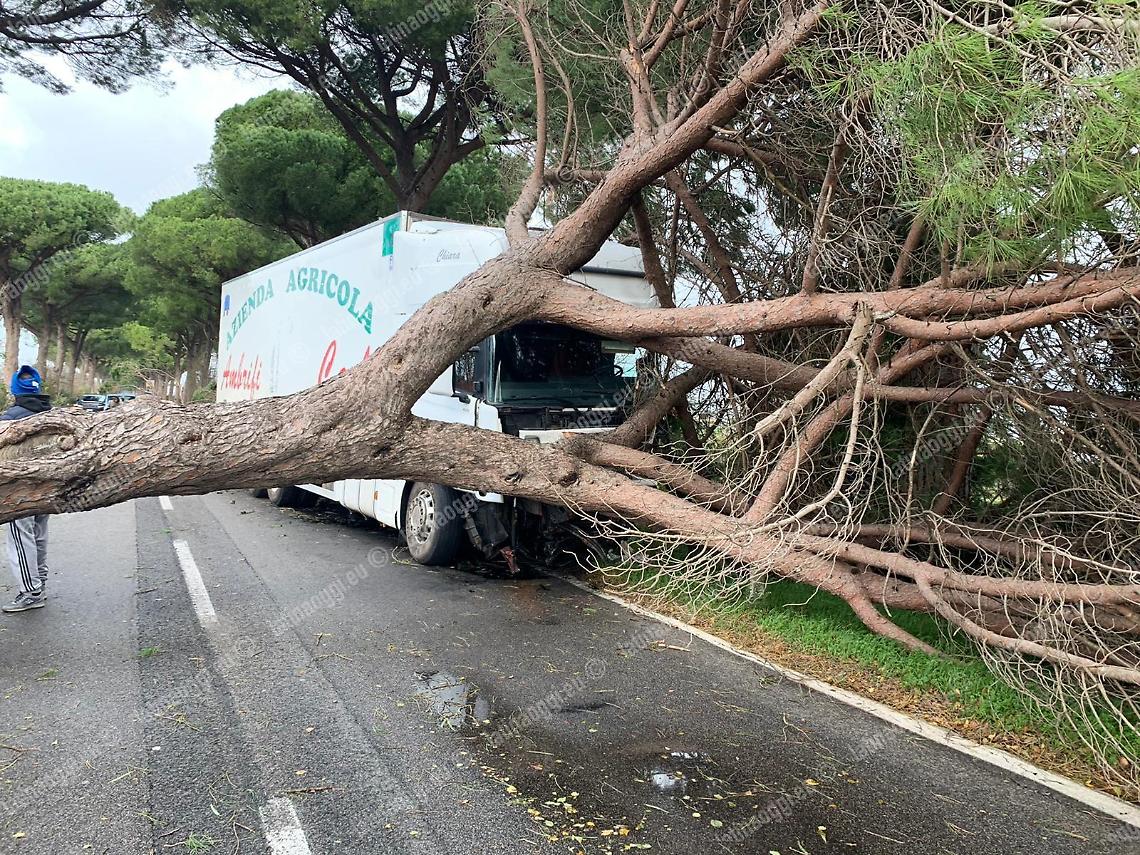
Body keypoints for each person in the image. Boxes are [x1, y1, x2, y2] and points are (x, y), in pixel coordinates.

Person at [1, 366, 52, 613]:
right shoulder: (51, 414)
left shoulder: (10, 419)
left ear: (14, 390)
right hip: (48, 484)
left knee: (21, 540)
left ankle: (30, 592)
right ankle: (39, 584)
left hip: (18, 489)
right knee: (38, 536)